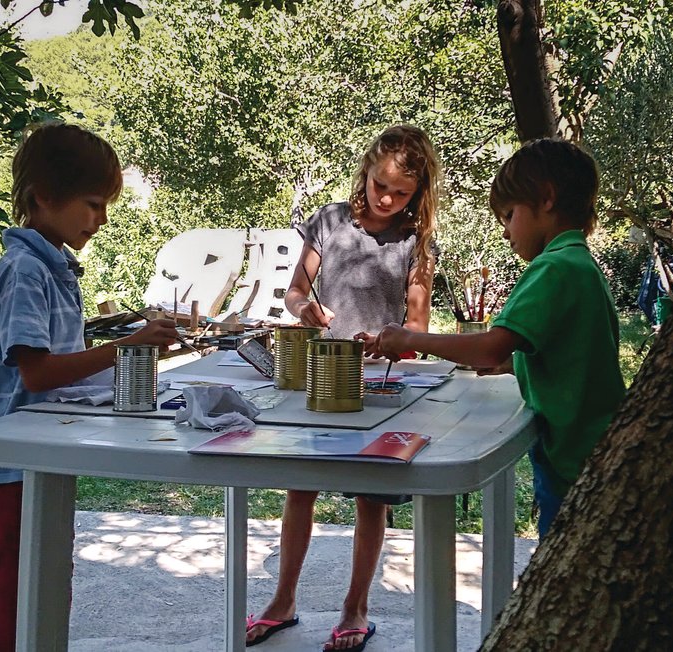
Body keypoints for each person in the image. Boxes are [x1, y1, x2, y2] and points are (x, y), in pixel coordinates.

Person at [0, 122, 178, 652]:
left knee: (46, 582)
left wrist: (134, 349)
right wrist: (130, 348)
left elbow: (65, 364)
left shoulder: (55, 267)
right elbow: (37, 372)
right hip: (7, 463)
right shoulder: (24, 270)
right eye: (92, 204)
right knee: (9, 596)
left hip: (41, 455)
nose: (101, 219)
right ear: (44, 198)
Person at [366, 137, 626, 541]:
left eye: (508, 216)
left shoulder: (553, 267)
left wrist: (405, 337)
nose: (506, 232)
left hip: (575, 460)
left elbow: (491, 344)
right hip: (595, 449)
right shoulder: (581, 263)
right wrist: (515, 362)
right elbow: (570, 351)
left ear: (546, 199)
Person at [246, 125, 442, 652]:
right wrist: (304, 309)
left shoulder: (416, 241)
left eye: (401, 193)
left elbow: (419, 329)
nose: (387, 198)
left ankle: (355, 608)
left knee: (372, 498)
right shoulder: (330, 222)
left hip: (379, 385)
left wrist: (395, 340)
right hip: (323, 374)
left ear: (418, 195)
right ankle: (282, 600)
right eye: (381, 184)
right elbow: (293, 293)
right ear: (367, 171)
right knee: (300, 487)